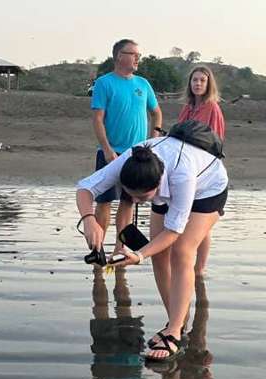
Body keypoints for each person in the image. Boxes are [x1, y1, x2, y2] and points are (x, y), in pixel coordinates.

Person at [76, 136, 228, 362]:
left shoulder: (181, 175)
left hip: (208, 188)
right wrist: (89, 219)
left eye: (142, 197)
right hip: (165, 190)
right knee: (159, 257)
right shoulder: (129, 161)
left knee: (182, 252)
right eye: (131, 195)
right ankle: (176, 323)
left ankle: (174, 334)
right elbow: (85, 187)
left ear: (157, 184)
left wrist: (138, 255)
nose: (136, 202)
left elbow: (174, 232)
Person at [90, 39, 163, 256]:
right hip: (111, 152)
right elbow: (97, 118)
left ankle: (119, 248)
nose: (137, 58)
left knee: (128, 201)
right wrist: (107, 148)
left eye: (138, 54)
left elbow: (156, 112)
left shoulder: (143, 84)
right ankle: (98, 249)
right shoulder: (104, 83)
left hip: (137, 155)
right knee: (104, 202)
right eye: (133, 54)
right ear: (119, 56)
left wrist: (153, 141)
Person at [178, 66, 225, 275]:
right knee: (190, 216)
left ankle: (200, 268)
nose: (198, 84)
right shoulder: (187, 108)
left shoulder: (212, 107)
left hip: (204, 167)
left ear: (208, 84)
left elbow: (216, 140)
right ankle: (191, 265)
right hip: (186, 167)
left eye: (202, 81)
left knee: (203, 219)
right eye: (195, 80)